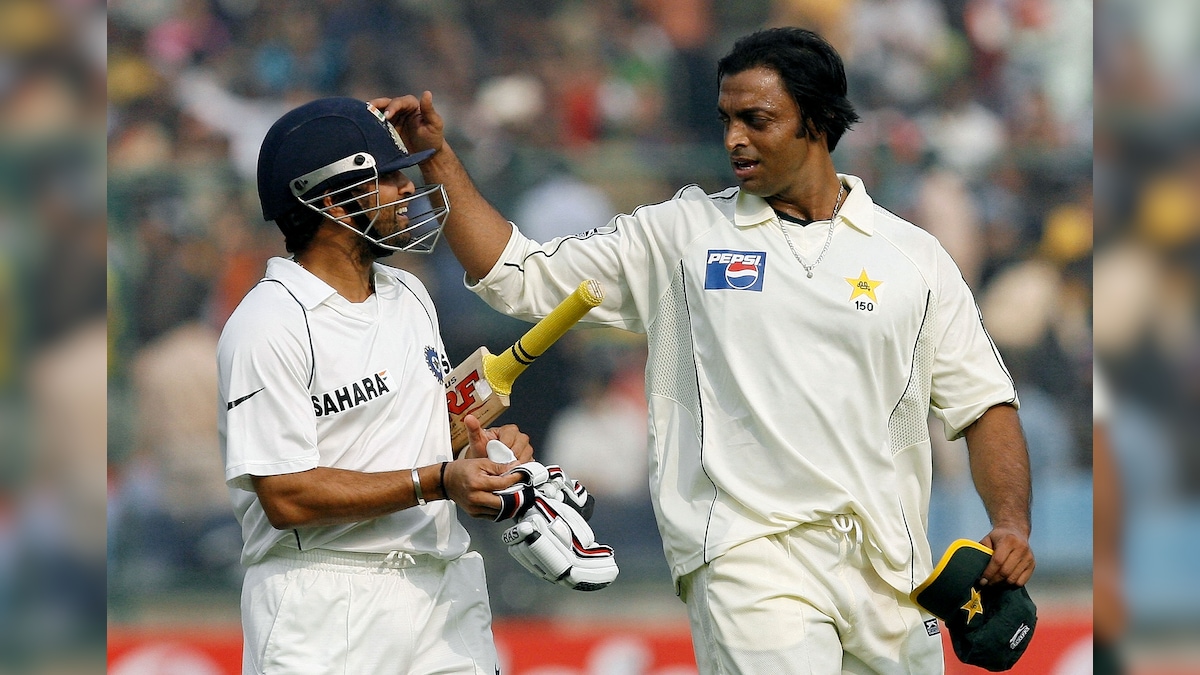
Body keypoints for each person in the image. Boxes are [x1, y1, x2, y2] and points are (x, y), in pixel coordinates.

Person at [382, 26, 1035, 674]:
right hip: (749, 557)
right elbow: (514, 272)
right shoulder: (684, 232)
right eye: (726, 120)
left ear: (816, 121)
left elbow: (984, 404)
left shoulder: (913, 257)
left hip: (892, 572)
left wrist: (1010, 524)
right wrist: (437, 157)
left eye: (756, 120)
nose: (733, 139)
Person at [217, 96, 534, 675]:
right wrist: (438, 480)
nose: (409, 189)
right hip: (324, 603)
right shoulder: (268, 323)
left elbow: (416, 440)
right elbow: (285, 496)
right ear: (330, 199)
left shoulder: (409, 293)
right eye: (388, 177)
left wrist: (479, 456)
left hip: (442, 589)